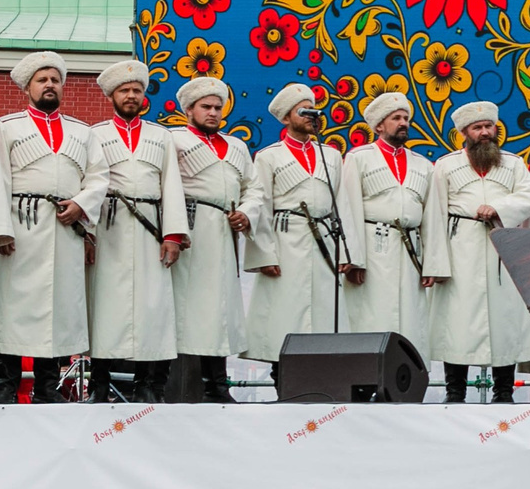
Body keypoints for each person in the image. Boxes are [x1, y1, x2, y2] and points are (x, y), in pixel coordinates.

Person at [0, 50, 103, 403]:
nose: (50, 85)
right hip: (20, 227)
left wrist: (81, 205)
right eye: (42, 80)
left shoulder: (82, 131)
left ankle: (49, 388)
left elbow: (98, 177)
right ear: (27, 87)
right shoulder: (7, 126)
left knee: (60, 309)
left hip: (65, 230)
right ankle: (5, 387)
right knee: (12, 309)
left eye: (55, 80)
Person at [421, 99, 530, 403]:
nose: (485, 132)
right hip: (460, 250)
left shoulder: (514, 163)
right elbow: (434, 215)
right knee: (458, 322)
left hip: (503, 251)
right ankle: (455, 392)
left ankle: (504, 392)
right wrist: (436, 263)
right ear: (465, 132)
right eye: (478, 128)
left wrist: (500, 208)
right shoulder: (446, 165)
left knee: (506, 321)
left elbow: (528, 197)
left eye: (489, 126)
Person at [85, 59, 188, 402]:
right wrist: (87, 233)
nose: (131, 96)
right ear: (111, 95)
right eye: (124, 91)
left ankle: (150, 384)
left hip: (150, 228)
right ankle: (98, 384)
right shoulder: (94, 135)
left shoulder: (161, 136)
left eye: (137, 90)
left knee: (152, 306)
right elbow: (86, 183)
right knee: (102, 305)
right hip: (108, 226)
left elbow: (171, 185)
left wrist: (173, 234)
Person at [239, 82, 345, 391]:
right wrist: (264, 255)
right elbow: (261, 204)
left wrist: (347, 255)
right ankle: (283, 383)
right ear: (286, 118)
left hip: (324, 242)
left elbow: (342, 206)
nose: (313, 115)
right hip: (286, 242)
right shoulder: (269, 157)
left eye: (314, 109)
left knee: (323, 316)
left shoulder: (332, 155)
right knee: (285, 316)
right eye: (304, 110)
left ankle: (322, 385)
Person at [169, 76, 252, 403]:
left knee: (218, 311)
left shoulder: (237, 146)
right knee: (190, 309)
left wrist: (246, 212)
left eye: (218, 107)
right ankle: (185, 386)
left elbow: (254, 188)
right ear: (189, 109)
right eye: (206, 107)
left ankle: (218, 384)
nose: (214, 113)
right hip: (190, 230)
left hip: (222, 232)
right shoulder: (173, 140)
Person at [335, 90, 433, 364]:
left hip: (411, 251)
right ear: (379, 125)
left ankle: (407, 376)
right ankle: (368, 377)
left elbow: (432, 219)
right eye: (396, 118)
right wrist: (353, 259)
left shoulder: (423, 165)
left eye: (406, 118)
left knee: (411, 318)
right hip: (373, 248)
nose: (403, 123)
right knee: (372, 314)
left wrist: (433, 264)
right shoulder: (359, 157)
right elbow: (348, 207)